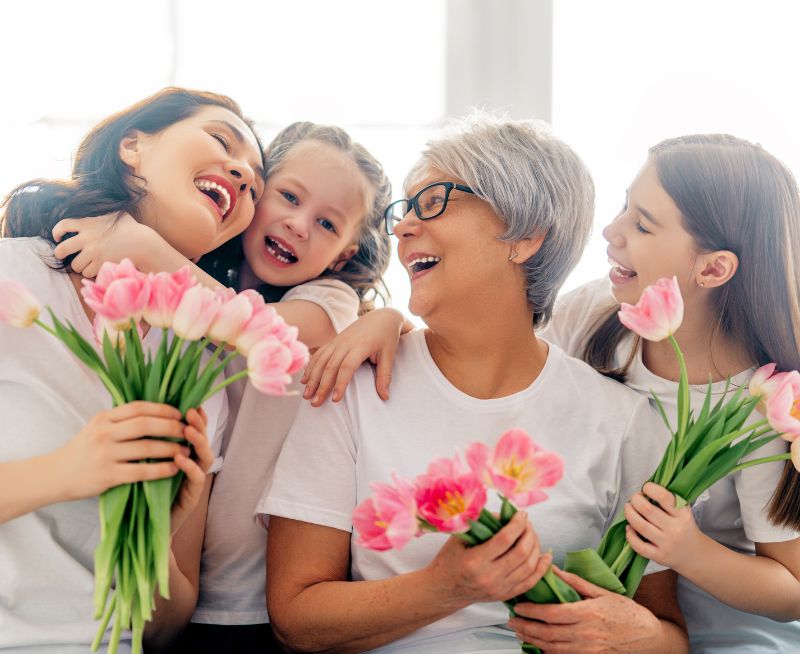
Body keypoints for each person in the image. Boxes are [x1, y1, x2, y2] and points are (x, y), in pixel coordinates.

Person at [303, 133, 800, 652]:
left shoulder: (765, 403)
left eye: (643, 223)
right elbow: (494, 343)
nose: (611, 231)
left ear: (714, 268)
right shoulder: (599, 317)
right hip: (639, 601)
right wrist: (385, 319)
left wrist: (686, 549)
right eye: (624, 208)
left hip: (735, 623)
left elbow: (791, 590)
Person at [258, 115, 687, 653]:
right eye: (403, 209)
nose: (403, 227)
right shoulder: (352, 387)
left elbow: (670, 636)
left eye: (433, 201)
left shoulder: (623, 421)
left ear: (525, 235)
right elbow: (295, 617)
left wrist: (636, 634)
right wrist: (443, 589)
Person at [52, 121, 392, 653]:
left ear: (343, 257)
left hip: (254, 597)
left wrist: (140, 246)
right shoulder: (201, 274)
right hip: (176, 580)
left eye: (327, 223)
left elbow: (254, 330)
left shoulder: (329, 301)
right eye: (288, 196)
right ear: (253, 197)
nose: (300, 225)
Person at [0, 87, 265, 653]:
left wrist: (156, 525)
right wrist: (65, 471)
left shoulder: (200, 369)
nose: (242, 174)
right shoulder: (11, 278)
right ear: (132, 146)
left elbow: (165, 625)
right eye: (222, 140)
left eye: (254, 183)